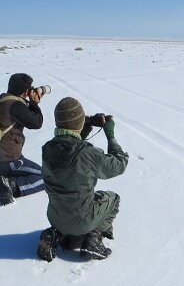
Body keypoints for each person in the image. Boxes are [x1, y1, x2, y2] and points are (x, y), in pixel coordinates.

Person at [37, 97, 129, 261]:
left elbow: (70, 146)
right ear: (79, 122)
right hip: (82, 219)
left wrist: (86, 124)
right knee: (113, 198)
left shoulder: (48, 149)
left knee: (69, 206)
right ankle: (94, 238)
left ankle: (54, 234)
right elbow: (119, 165)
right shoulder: (87, 153)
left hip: (55, 216)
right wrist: (111, 136)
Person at [0, 73, 45, 206]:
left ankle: (6, 179)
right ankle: (12, 187)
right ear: (26, 91)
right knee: (46, 177)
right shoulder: (15, 105)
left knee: (23, 167)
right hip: (6, 162)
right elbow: (37, 123)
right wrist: (35, 102)